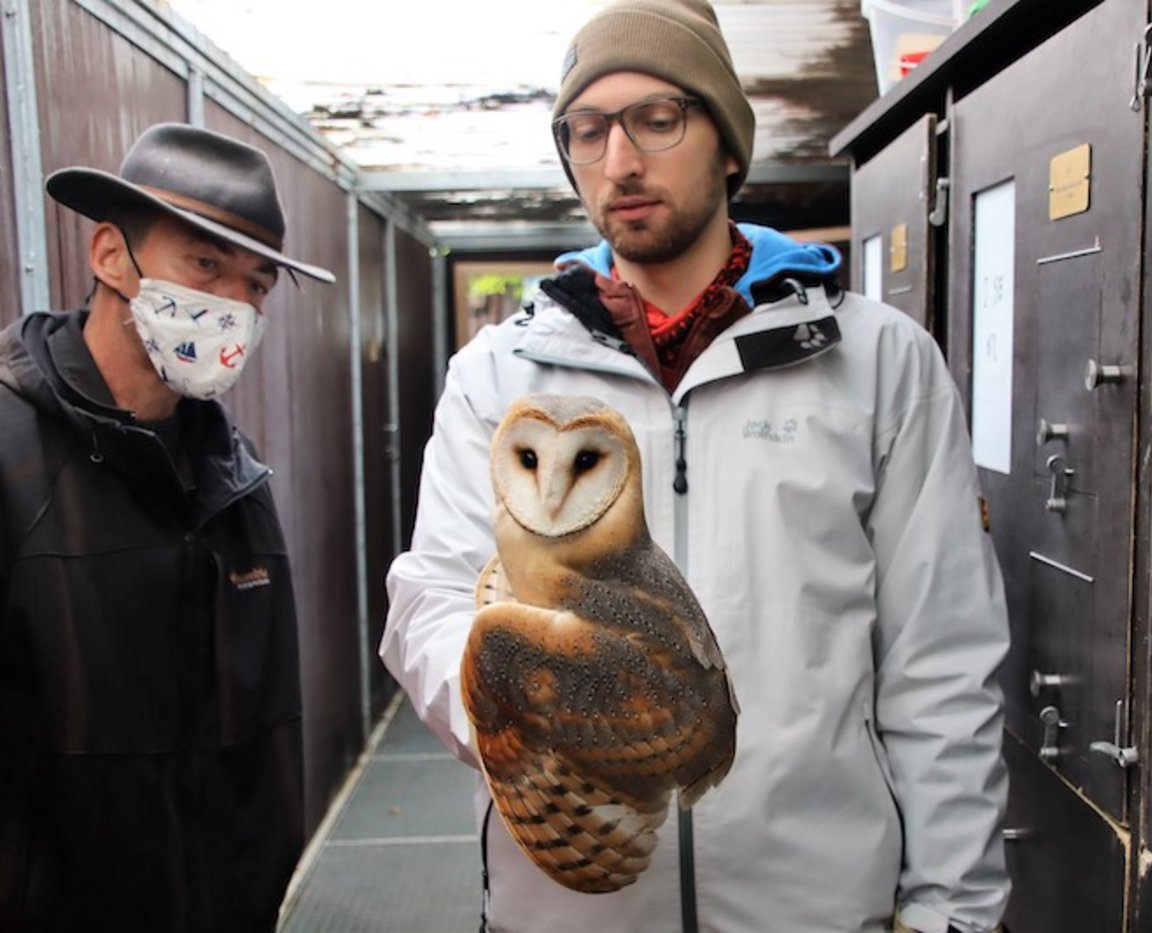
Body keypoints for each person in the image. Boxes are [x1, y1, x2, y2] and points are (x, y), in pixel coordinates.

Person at [380, 1, 1011, 930]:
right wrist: (526, 707)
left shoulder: (874, 360)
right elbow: (429, 598)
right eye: (586, 132)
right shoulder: (499, 375)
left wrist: (952, 909)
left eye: (658, 118)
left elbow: (940, 658)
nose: (620, 161)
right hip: (568, 904)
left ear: (727, 142)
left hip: (812, 903)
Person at [0, 123, 334, 930]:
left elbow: (265, 730)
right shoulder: (12, 459)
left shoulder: (233, 478)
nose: (234, 304)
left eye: (256, 285)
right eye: (205, 265)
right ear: (112, 256)